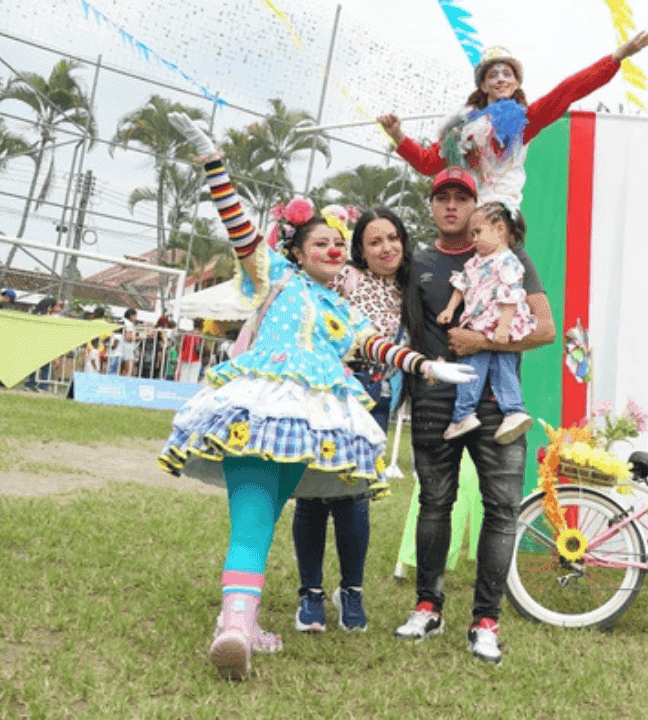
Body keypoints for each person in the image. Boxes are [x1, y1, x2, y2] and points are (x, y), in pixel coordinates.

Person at [158, 113, 476, 680]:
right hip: (259, 405)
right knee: (255, 515)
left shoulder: (340, 308)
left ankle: (241, 620)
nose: (332, 250)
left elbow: (379, 347)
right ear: (298, 250)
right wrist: (213, 161)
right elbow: (237, 223)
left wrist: (428, 366)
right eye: (321, 243)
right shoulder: (274, 276)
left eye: (337, 244)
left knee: (259, 515)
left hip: (303, 423)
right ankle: (235, 625)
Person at [394, 166, 556, 665]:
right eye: (441, 198)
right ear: (431, 207)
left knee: (502, 509)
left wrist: (481, 341)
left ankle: (486, 620)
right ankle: (428, 606)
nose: (451, 207)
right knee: (435, 504)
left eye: (461, 199)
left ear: (475, 208)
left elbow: (545, 329)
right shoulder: (417, 262)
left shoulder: (511, 258)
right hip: (435, 403)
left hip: (496, 409)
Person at [290, 205, 413, 634]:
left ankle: (352, 592)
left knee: (353, 494)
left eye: (392, 237)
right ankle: (310, 593)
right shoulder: (346, 278)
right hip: (326, 391)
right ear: (359, 250)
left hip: (374, 399)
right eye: (373, 241)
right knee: (311, 492)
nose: (386, 247)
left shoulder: (410, 288)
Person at [378, 31, 648, 208]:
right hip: (464, 210)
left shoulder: (524, 121)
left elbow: (568, 90)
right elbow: (429, 163)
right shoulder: (460, 130)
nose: (500, 79)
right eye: (493, 75)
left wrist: (617, 57)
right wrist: (398, 136)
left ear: (516, 83)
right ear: (483, 86)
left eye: (507, 74)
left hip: (500, 213)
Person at [436, 201, 536, 443]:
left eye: (478, 232)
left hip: (500, 322)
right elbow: (462, 285)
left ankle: (513, 411)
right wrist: (450, 309)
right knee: (474, 368)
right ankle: (465, 414)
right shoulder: (476, 261)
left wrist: (504, 326)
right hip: (480, 323)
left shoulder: (507, 260)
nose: (474, 240)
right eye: (472, 234)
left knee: (503, 368)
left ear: (500, 229)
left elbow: (512, 295)